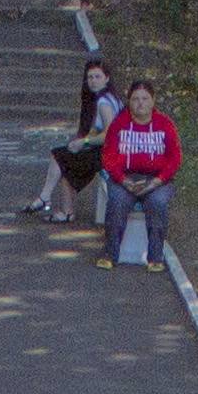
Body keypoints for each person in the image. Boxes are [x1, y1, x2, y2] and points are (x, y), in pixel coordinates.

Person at [97, 81, 184, 257]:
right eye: (135, 99)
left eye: (145, 99)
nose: (140, 103)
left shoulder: (165, 124)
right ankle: (110, 254)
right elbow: (109, 157)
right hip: (124, 178)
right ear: (129, 101)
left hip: (157, 179)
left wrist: (157, 181)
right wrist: (123, 180)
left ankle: (155, 257)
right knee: (117, 202)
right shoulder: (119, 124)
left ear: (153, 101)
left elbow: (175, 158)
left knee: (157, 203)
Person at [36, 54, 116, 224]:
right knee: (66, 157)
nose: (93, 81)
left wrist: (84, 142)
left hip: (109, 154)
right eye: (90, 77)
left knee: (60, 156)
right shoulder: (108, 98)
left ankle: (46, 198)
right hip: (105, 151)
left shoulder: (104, 102)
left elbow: (109, 135)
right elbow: (98, 130)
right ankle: (64, 210)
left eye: (97, 77)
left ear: (107, 78)